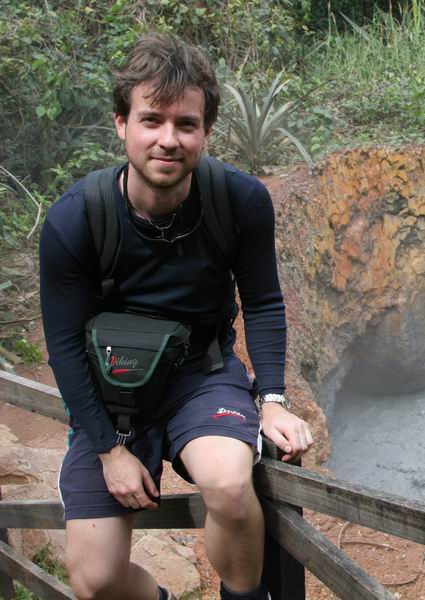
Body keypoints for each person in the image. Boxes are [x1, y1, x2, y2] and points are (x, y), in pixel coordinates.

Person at [39, 33, 313, 600]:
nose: (168, 139)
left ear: (206, 131)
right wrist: (110, 450)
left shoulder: (238, 201)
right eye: (151, 120)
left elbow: (263, 301)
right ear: (122, 124)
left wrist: (272, 399)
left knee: (231, 487)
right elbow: (63, 343)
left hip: (201, 375)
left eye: (186, 124)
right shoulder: (76, 219)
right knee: (94, 580)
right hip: (111, 389)